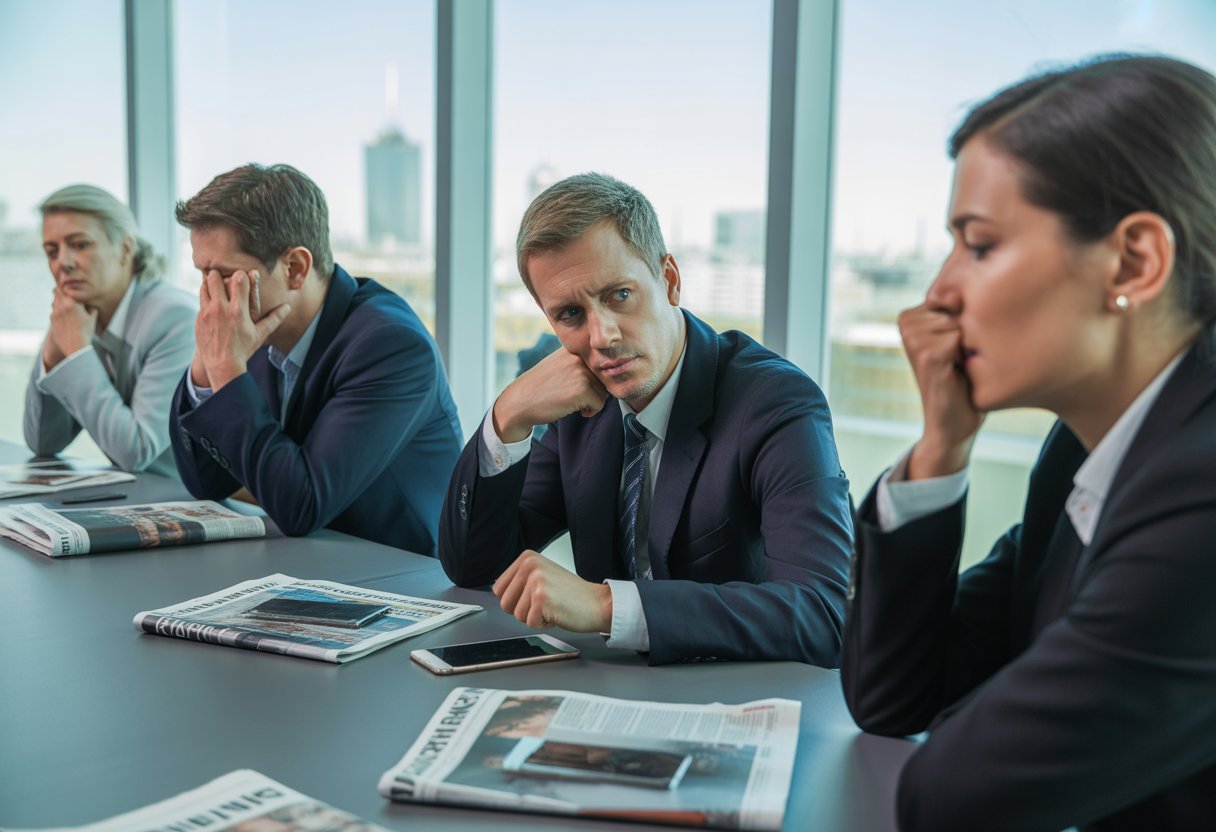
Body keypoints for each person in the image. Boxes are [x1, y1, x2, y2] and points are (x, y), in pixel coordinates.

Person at [840, 55, 1216, 831]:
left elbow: (954, 793)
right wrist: (941, 448)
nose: (939, 293)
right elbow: (895, 699)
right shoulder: (1083, 454)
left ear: (1133, 260)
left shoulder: (1201, 488)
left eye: (978, 246)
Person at [439, 172, 851, 666]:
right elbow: (474, 566)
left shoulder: (775, 403)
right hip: (613, 691)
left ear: (669, 280)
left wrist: (605, 606)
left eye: (619, 295)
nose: (602, 337)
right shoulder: (581, 401)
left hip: (737, 696)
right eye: (571, 314)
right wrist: (508, 415)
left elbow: (823, 614)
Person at [168, 164, 461, 554]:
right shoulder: (258, 329)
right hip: (318, 562)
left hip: (407, 574)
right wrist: (208, 363)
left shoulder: (390, 345)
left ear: (295, 268)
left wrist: (225, 367)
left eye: (224, 275)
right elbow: (207, 482)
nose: (211, 296)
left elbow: (300, 506)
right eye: (201, 274)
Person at [24, 185, 195, 477]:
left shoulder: (175, 318)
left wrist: (77, 350)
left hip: (195, 506)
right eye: (52, 251)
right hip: (138, 497)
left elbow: (136, 451)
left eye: (80, 245)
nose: (63, 262)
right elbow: (43, 442)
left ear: (126, 248)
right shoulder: (80, 315)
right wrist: (54, 352)